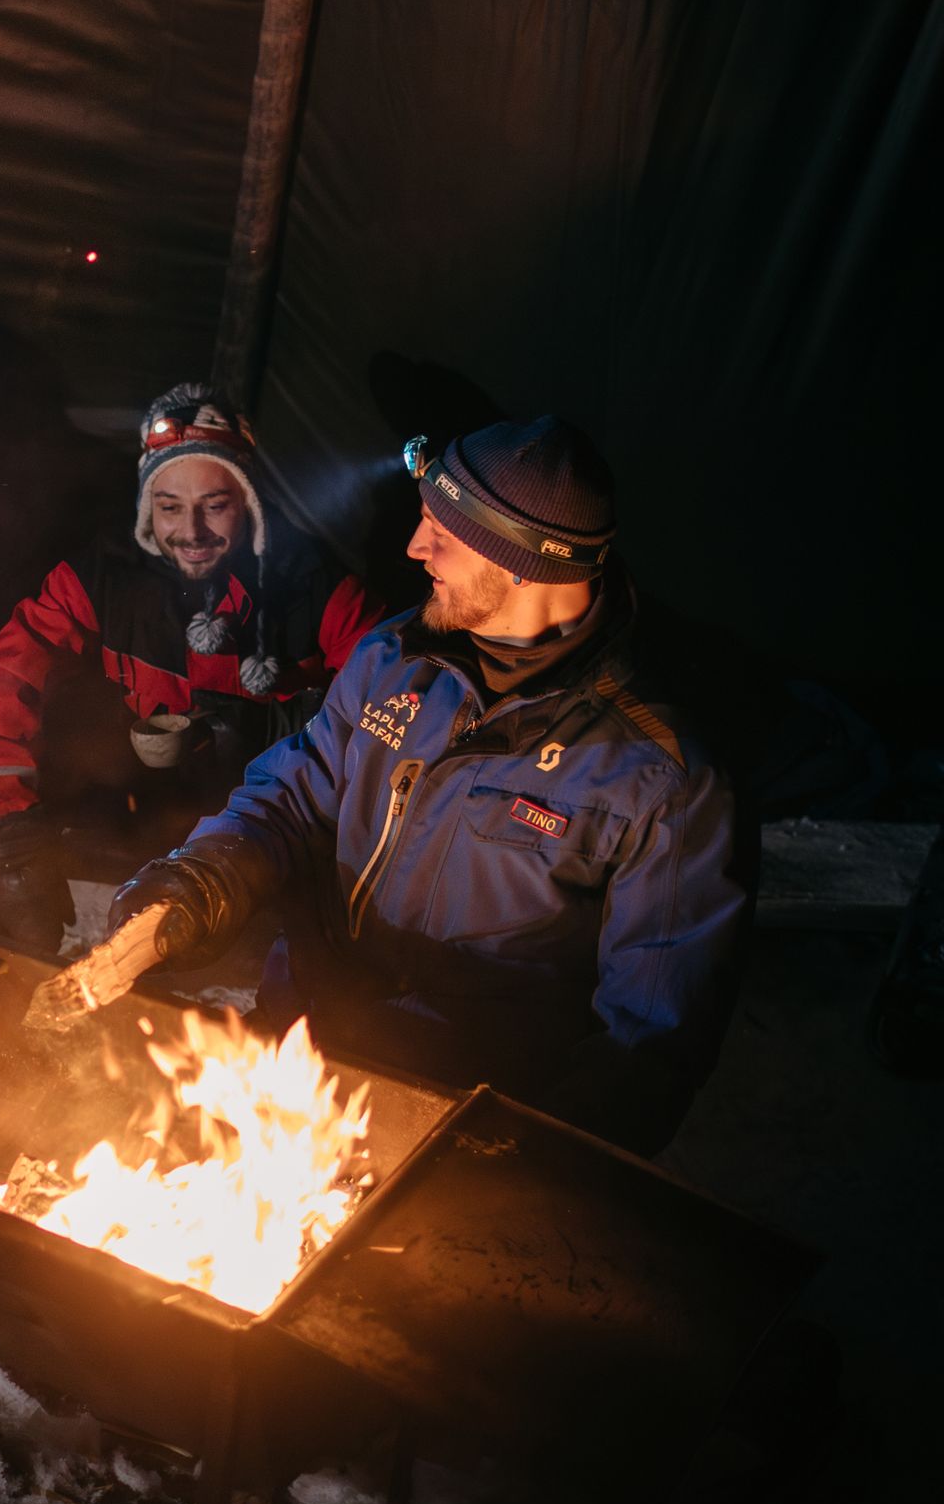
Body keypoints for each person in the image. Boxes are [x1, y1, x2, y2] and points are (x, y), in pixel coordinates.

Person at [104, 416, 747, 1154]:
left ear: (525, 563)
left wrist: (537, 1163)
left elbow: (652, 1042)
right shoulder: (396, 656)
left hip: (462, 1118)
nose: (414, 547)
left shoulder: (662, 779)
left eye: (445, 534)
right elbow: (295, 794)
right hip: (301, 1056)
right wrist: (205, 876)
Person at [0, 384, 381, 951]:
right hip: (137, 798)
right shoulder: (105, 575)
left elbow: (391, 701)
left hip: (263, 811)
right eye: (170, 506)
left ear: (249, 501)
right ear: (147, 506)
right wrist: (7, 827)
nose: (191, 532)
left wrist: (281, 736)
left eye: (215, 505)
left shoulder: (313, 584)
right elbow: (1, 676)